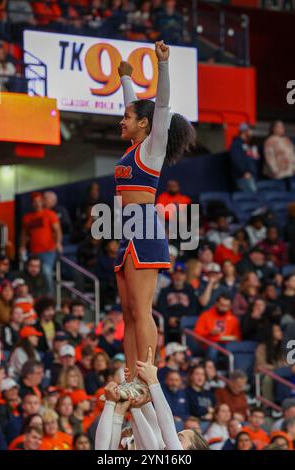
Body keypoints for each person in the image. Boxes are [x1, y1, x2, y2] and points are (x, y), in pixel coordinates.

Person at [114, 42, 195, 396]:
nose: (122, 120)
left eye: (128, 118)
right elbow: (135, 107)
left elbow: (159, 106)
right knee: (129, 311)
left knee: (142, 310)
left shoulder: (151, 147)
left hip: (145, 225)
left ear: (144, 125)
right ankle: (131, 376)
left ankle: (146, 379)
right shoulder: (133, 147)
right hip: (125, 228)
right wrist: (125, 81)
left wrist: (162, 64)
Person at [19, 192, 63, 294]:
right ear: (32, 203)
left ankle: (50, 296)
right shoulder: (27, 217)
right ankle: (31, 295)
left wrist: (58, 243)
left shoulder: (50, 214)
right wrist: (22, 246)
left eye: (39, 201)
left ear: (42, 201)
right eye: (35, 202)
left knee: (46, 271)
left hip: (49, 251)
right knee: (29, 273)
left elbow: (58, 230)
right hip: (34, 252)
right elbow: (24, 234)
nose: (37, 203)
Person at [156, 262, 197, 342]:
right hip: (167, 321)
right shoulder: (165, 290)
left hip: (184, 321)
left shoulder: (190, 290)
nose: (178, 277)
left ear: (185, 276)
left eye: (181, 274)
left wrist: (182, 319)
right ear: (173, 275)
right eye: (176, 274)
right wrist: (169, 318)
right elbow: (161, 307)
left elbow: (193, 308)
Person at [194, 294, 241, 361]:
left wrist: (230, 338)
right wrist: (209, 333)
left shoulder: (233, 319)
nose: (223, 308)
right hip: (208, 344)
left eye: (226, 306)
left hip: (226, 344)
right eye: (222, 305)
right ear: (216, 303)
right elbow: (197, 335)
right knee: (214, 347)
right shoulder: (205, 315)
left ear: (230, 306)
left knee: (234, 349)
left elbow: (237, 338)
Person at [263, 120, 295, 187]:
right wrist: (275, 171)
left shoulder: (287, 140)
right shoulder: (270, 141)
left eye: (283, 126)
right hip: (278, 175)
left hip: (290, 172)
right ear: (273, 129)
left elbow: (292, 154)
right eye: (279, 127)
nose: (282, 128)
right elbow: (269, 157)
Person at [230, 122, 259, 192]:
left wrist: (255, 156)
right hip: (243, 176)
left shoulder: (248, 144)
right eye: (250, 130)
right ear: (244, 131)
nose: (252, 132)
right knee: (252, 197)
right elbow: (236, 159)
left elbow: (252, 159)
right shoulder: (236, 144)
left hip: (251, 175)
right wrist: (244, 172)